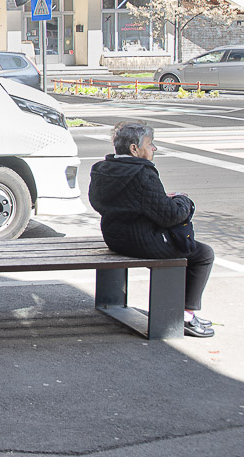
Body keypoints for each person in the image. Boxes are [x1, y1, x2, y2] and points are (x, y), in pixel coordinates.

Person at [88, 122, 215, 337]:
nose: (153, 148)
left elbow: (99, 202)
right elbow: (170, 216)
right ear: (134, 149)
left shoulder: (102, 169)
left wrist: (154, 202)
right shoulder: (142, 173)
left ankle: (185, 314)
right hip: (143, 242)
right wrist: (184, 201)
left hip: (115, 238)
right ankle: (185, 316)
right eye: (150, 144)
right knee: (203, 254)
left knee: (192, 249)